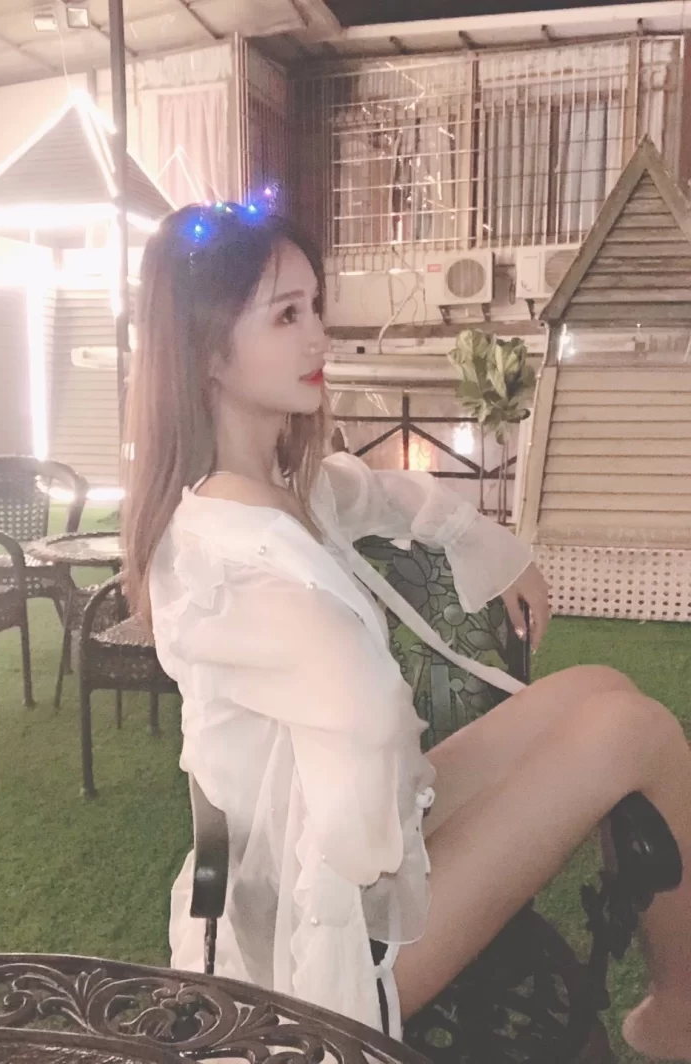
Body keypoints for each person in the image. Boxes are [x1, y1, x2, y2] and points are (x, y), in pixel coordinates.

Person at [123, 202, 691, 1062]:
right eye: (286, 315)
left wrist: (495, 551)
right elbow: (368, 722)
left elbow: (387, 496)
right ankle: (679, 1011)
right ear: (207, 352)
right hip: (326, 945)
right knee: (628, 728)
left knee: (598, 686)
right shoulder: (227, 556)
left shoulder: (285, 489)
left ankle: (670, 985)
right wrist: (431, 815)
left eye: (315, 306)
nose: (318, 335)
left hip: (365, 829)